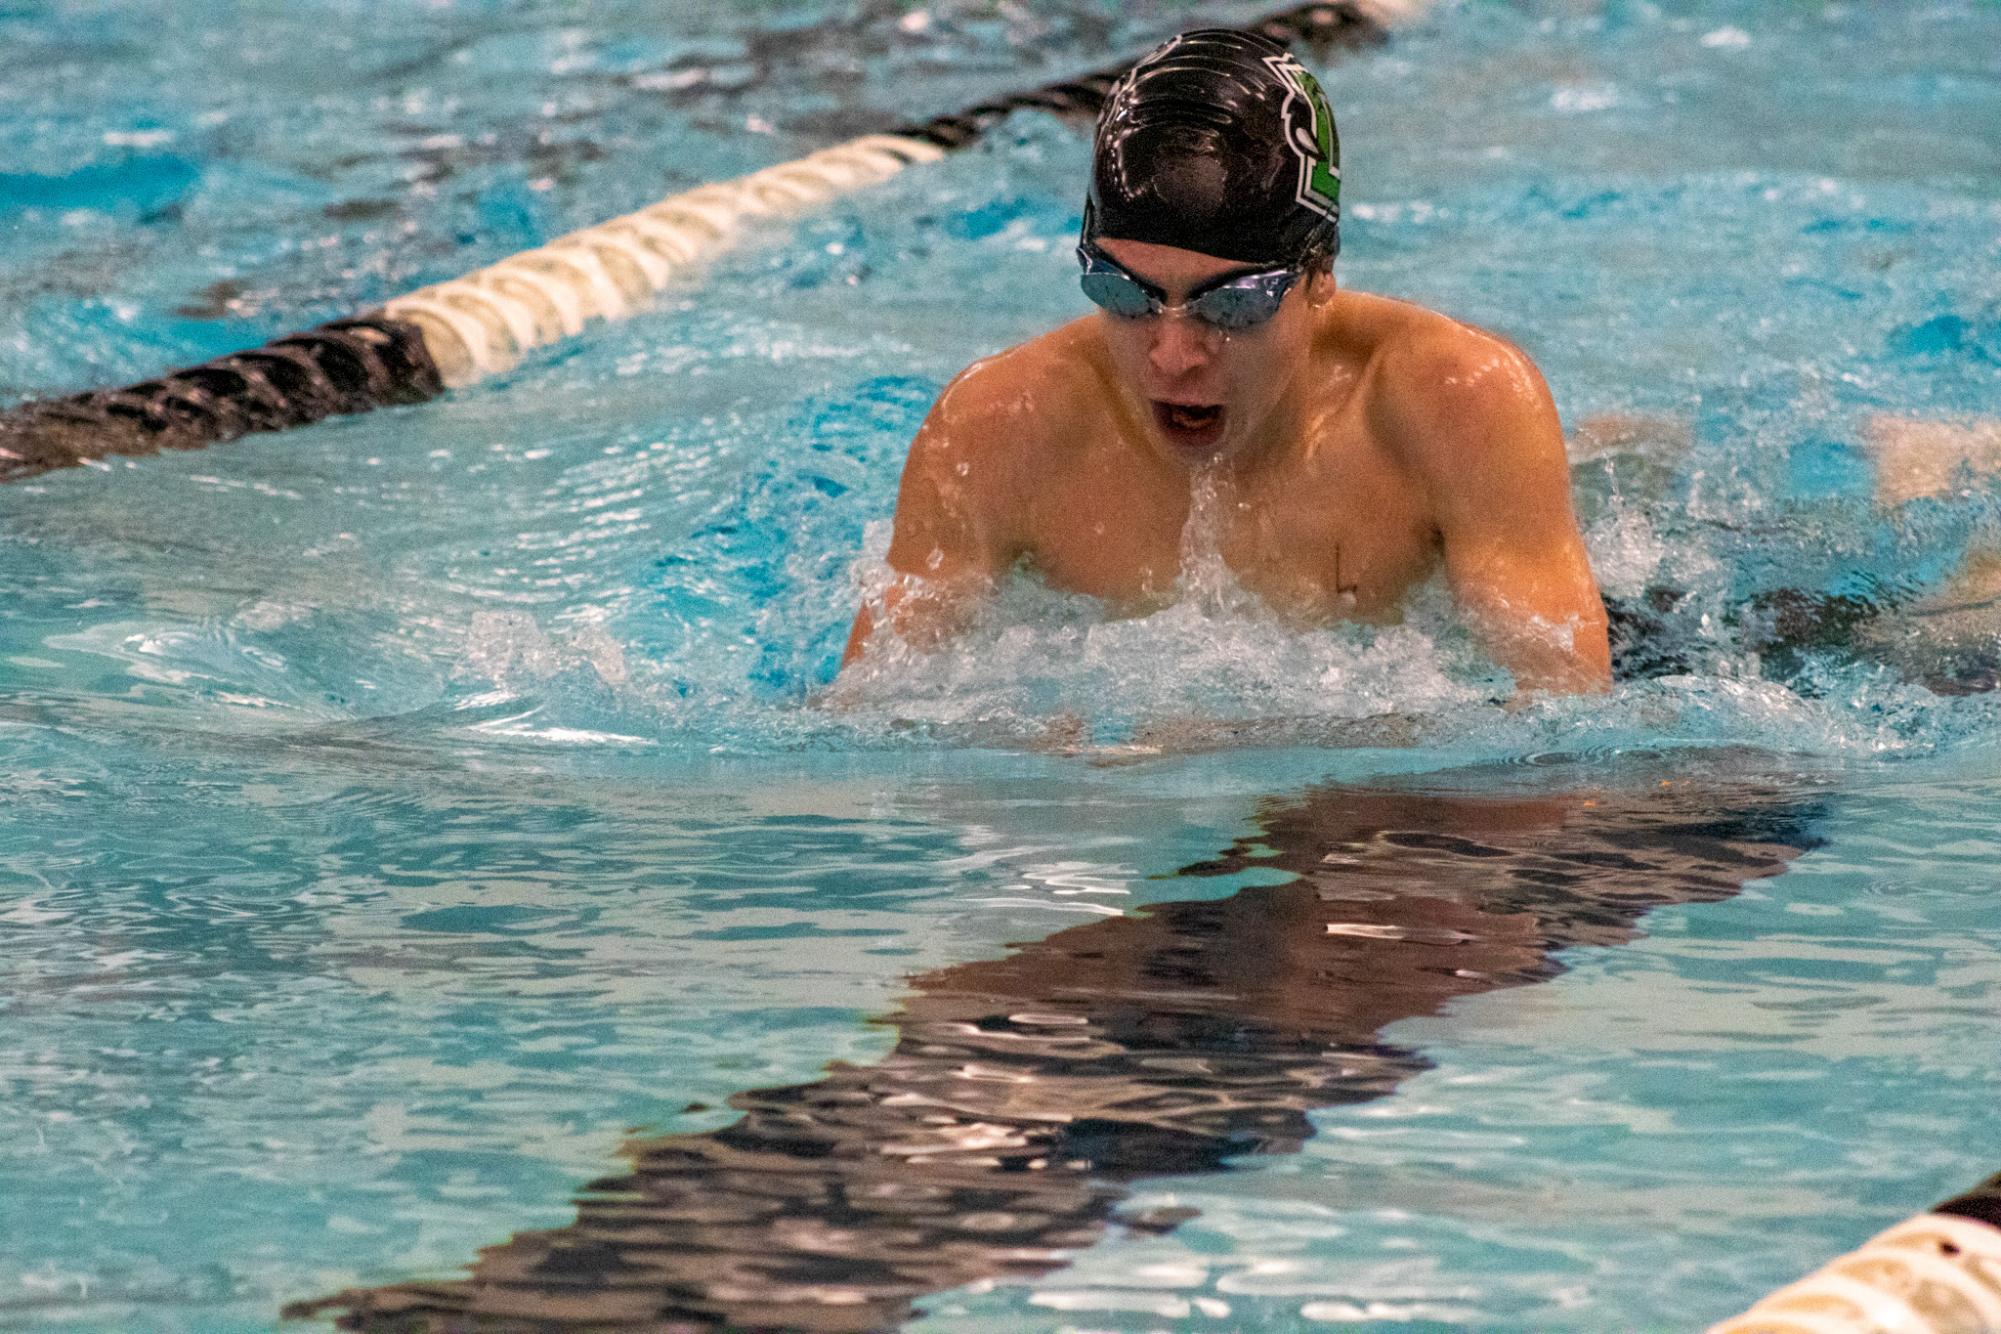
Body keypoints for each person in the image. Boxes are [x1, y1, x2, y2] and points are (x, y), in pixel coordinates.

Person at [842, 28, 1612, 695]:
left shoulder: (1453, 401)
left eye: (1230, 305)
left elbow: (1562, 714)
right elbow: (865, 726)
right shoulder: (997, 428)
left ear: (1317, 279)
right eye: (1124, 293)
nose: (1172, 357)